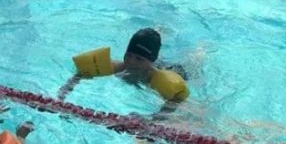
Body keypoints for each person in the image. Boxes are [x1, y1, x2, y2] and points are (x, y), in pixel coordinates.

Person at [58, 28, 190, 112]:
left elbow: (178, 99)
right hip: (152, 63)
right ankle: (158, 30)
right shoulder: (118, 67)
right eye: (128, 55)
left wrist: (159, 116)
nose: (131, 62)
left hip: (173, 70)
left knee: (190, 61)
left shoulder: (161, 81)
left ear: (151, 61)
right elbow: (80, 74)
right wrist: (62, 95)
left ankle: (198, 52)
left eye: (138, 59)